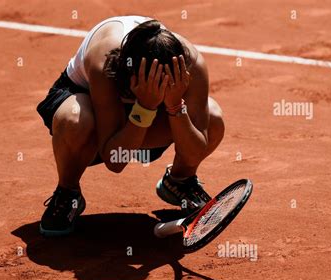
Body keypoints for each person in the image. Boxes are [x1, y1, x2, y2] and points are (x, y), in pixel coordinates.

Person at [36, 16, 225, 236]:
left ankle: (180, 181)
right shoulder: (104, 63)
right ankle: (67, 193)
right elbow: (115, 160)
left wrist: (174, 106)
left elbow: (195, 149)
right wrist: (145, 106)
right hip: (93, 107)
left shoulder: (192, 66)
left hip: (150, 116)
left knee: (212, 118)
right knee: (75, 120)